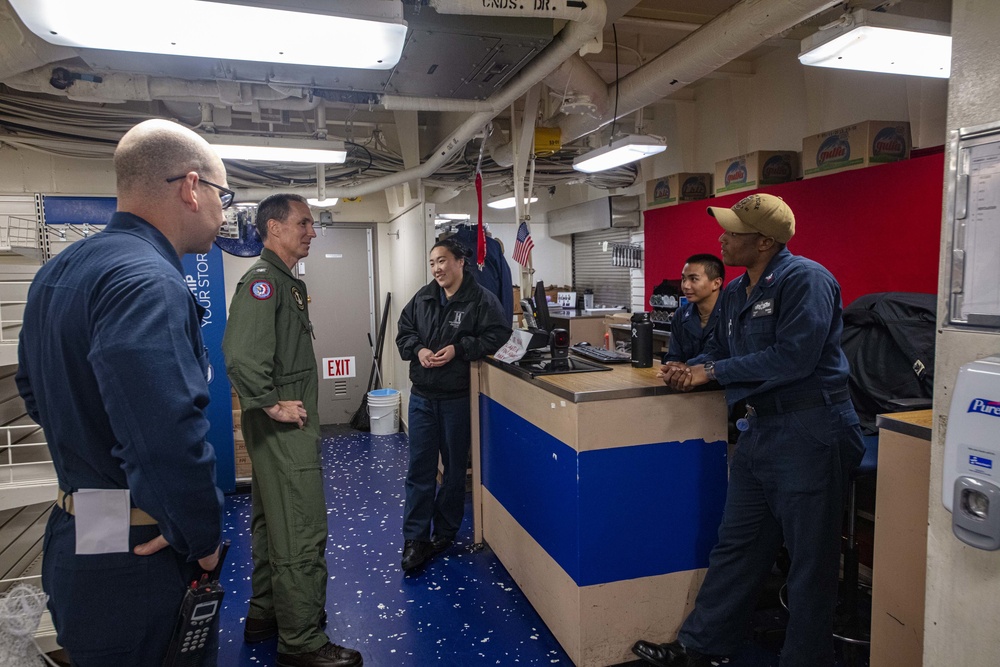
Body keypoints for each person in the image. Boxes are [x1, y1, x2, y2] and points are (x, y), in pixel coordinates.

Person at [15, 119, 225, 667]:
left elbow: (33, 392)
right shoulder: (149, 281)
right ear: (192, 188)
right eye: (223, 196)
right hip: (140, 558)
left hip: (81, 531)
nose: (224, 214)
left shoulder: (59, 271)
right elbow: (165, 433)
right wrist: (200, 539)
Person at [633, 193, 865, 667]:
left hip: (810, 429)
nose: (721, 237)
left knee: (810, 563)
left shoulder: (806, 280)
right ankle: (703, 646)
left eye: (733, 232)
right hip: (760, 429)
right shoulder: (738, 291)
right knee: (736, 546)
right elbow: (719, 346)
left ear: (763, 242)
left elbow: (793, 357)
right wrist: (686, 367)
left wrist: (711, 373)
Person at [222, 194, 362, 667]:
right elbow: (241, 355)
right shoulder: (264, 282)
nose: (311, 231)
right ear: (274, 228)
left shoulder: (285, 283)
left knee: (271, 524)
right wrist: (269, 404)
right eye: (303, 223)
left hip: (283, 430)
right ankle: (301, 641)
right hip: (286, 431)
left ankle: (265, 617)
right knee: (300, 528)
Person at [395, 238, 511, 572]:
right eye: (432, 263)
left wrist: (460, 349)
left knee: (455, 471)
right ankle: (414, 538)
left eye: (442, 261)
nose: (437, 269)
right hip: (422, 398)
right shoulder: (424, 297)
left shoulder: (480, 300)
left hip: (456, 399)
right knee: (420, 469)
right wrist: (418, 350)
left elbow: (500, 336)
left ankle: (444, 534)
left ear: (461, 262)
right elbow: (404, 333)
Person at [662, 254, 724, 364]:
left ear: (716, 283)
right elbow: (673, 356)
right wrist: (672, 367)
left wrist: (687, 367)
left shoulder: (731, 312)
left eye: (694, 279)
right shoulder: (681, 314)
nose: (685, 285)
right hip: (685, 379)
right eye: (683, 279)